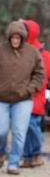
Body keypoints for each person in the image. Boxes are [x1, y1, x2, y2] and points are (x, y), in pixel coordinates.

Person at [0, 20, 45, 175]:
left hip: (22, 100)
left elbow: (39, 74)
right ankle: (1, 152)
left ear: (23, 38)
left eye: (18, 38)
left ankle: (14, 162)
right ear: (9, 37)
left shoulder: (32, 52)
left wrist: (29, 90)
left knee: (19, 132)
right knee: (1, 132)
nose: (15, 40)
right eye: (13, 38)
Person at [20, 19, 50, 168]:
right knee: (23, 127)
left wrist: (30, 87)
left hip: (36, 96)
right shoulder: (21, 50)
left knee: (32, 125)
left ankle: (36, 154)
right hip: (21, 95)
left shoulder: (43, 53)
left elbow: (43, 77)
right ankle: (27, 157)